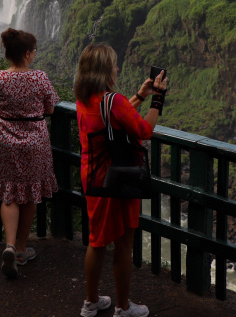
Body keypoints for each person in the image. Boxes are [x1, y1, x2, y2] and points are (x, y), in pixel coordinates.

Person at [74, 43, 168, 317]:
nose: (117, 68)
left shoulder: (83, 97)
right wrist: (158, 98)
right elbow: (144, 129)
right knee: (124, 243)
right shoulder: (112, 100)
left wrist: (139, 95)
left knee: (97, 240)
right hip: (119, 174)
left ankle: (91, 302)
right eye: (114, 64)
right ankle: (122, 307)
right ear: (105, 70)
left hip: (93, 174)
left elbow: (112, 115)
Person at [0, 28, 59, 279]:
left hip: (6, 139)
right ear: (28, 54)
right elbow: (50, 107)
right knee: (30, 192)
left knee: (9, 192)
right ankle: (20, 249)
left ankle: (8, 244)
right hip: (34, 141)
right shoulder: (40, 78)